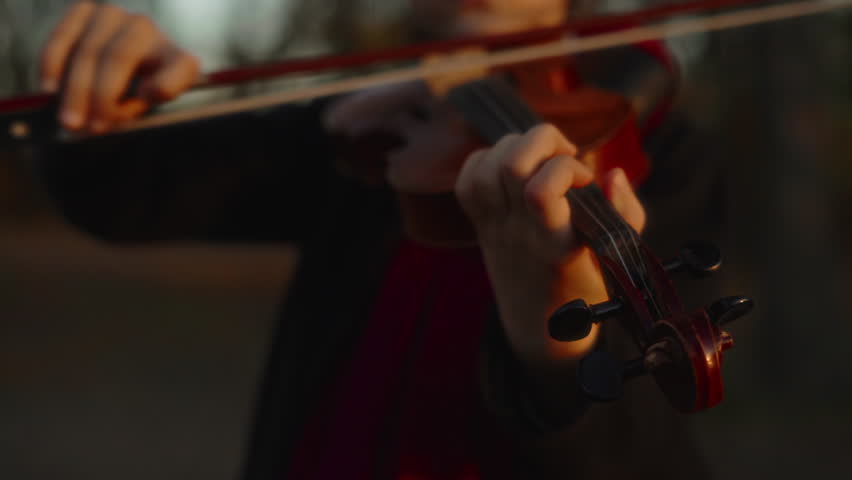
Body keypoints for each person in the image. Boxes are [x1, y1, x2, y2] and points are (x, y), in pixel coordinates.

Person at [36, 1, 709, 478]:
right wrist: (102, 103)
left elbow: (640, 450)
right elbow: (126, 195)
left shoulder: (661, 153)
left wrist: (556, 348)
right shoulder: (377, 120)